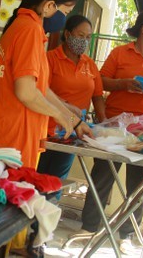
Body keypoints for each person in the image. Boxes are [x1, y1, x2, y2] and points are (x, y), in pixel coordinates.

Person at [78, 10, 143, 253]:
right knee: (102, 173)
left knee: (138, 182)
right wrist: (124, 84)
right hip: (115, 122)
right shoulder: (119, 53)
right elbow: (100, 82)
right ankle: (90, 226)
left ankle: (127, 234)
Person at [0, 0, 92, 170]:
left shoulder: (22, 26)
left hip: (6, 139)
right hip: (13, 143)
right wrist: (58, 115)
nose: (64, 19)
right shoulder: (29, 30)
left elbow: (40, 89)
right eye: (65, 12)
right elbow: (26, 92)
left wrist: (72, 120)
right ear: (49, 6)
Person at [37, 14, 106, 184]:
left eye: (88, 37)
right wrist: (66, 107)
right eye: (80, 36)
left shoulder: (90, 65)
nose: (84, 41)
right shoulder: (50, 59)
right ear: (67, 35)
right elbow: (41, 91)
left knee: (56, 185)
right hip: (46, 131)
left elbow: (97, 96)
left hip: (72, 133)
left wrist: (104, 124)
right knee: (35, 181)